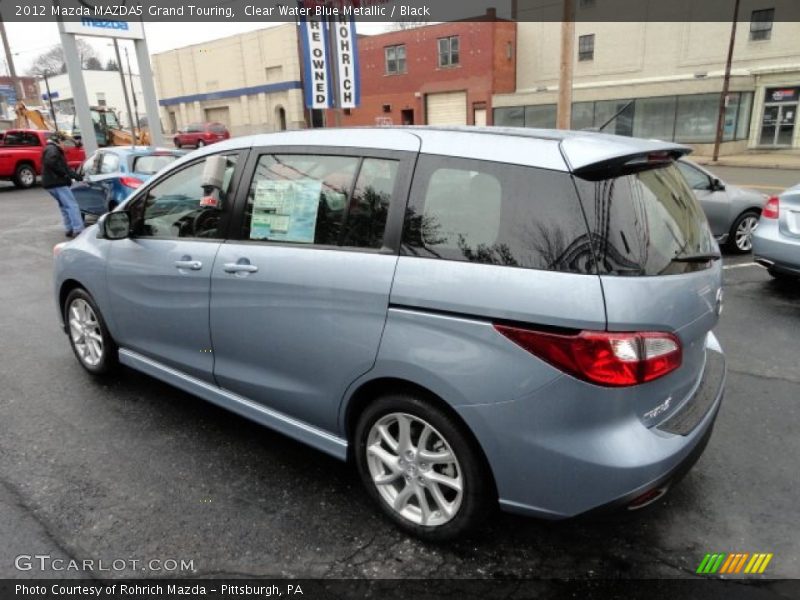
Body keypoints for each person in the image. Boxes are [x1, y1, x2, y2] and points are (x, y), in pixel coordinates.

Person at [42, 133, 83, 238]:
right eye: (63, 142)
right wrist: (64, 174)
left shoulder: (50, 148)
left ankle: (69, 228)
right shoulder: (52, 149)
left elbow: (64, 167)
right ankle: (78, 229)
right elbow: (52, 163)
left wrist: (75, 176)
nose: (64, 145)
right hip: (58, 182)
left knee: (64, 206)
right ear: (57, 141)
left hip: (50, 183)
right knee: (72, 205)